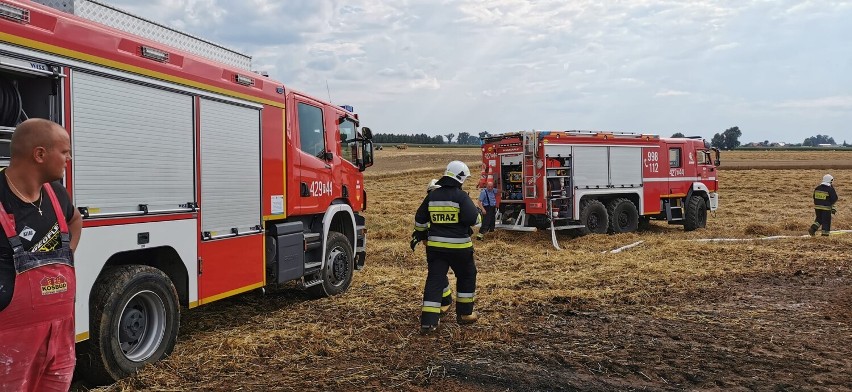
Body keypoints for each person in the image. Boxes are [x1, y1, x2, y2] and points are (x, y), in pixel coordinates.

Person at [0, 119, 82, 392]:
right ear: (39, 154)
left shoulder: (57, 193)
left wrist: (65, 255)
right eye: (64, 151)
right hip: (9, 347)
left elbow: (75, 219)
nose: (68, 158)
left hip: (59, 339)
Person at [413, 161, 481, 334]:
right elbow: (474, 220)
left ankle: (429, 322)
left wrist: (422, 236)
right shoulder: (461, 197)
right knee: (467, 275)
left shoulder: (432, 196)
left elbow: (420, 219)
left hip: (436, 248)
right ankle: (465, 314)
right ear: (460, 178)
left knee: (435, 280)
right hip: (460, 248)